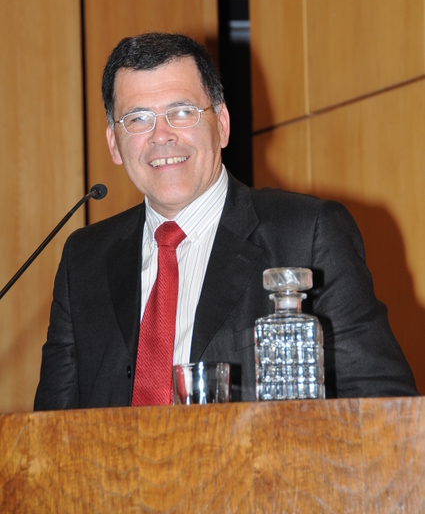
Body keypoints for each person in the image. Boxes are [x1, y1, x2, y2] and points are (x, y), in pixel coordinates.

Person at [34, 33, 418, 410]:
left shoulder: (307, 235)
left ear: (222, 124)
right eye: (138, 119)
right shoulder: (83, 260)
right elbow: (48, 433)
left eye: (182, 112)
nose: (161, 136)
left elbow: (384, 408)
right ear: (114, 143)